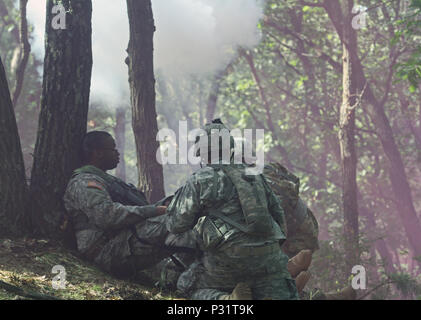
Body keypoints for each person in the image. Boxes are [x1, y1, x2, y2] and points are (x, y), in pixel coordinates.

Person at [165, 119, 299, 300]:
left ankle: (227, 299)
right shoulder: (255, 175)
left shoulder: (200, 179)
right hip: (268, 258)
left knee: (186, 286)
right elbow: (279, 216)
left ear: (203, 152)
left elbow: (175, 224)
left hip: (227, 262)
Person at [63, 131, 179, 281]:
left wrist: (163, 205)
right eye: (112, 149)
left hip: (123, 242)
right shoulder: (84, 181)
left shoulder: (107, 180)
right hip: (107, 250)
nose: (117, 153)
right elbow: (107, 215)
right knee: (177, 221)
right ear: (98, 153)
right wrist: (154, 210)